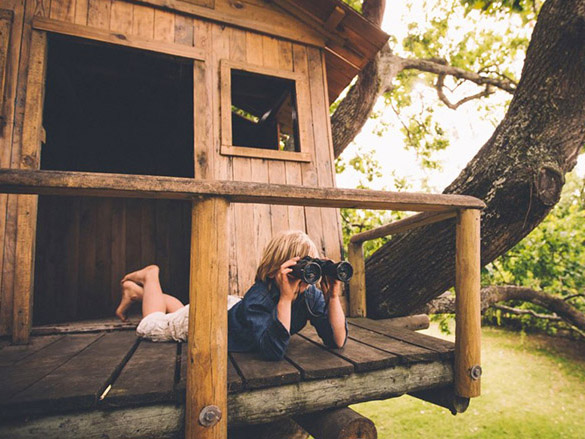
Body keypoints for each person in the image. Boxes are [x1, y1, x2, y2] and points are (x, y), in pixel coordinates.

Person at [116, 230, 347, 360]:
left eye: (312, 268)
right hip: (212, 320)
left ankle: (138, 293)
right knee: (150, 325)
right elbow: (273, 352)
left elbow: (337, 341)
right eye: (302, 268)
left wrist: (333, 297)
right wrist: (285, 299)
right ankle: (150, 277)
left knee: (180, 311)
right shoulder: (260, 297)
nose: (306, 277)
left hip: (235, 310)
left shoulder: (309, 295)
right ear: (279, 268)